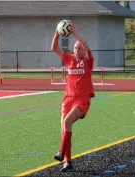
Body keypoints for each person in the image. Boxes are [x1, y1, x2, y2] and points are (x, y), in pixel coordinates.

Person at [51, 23, 95, 172]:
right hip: (68, 99)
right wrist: (57, 32)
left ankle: (61, 152)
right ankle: (68, 162)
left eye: (79, 47)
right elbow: (54, 48)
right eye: (75, 47)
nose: (77, 49)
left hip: (82, 100)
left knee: (68, 121)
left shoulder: (88, 62)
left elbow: (88, 49)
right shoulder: (69, 60)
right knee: (65, 128)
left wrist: (75, 33)